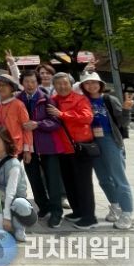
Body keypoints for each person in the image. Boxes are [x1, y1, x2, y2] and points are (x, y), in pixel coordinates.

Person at [80, 72, 134, 229]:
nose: (91, 86)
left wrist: (126, 109)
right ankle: (115, 206)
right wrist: (85, 69)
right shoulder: (83, 100)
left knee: (118, 178)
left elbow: (123, 122)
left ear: (100, 84)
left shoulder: (109, 100)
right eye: (87, 83)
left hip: (110, 140)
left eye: (94, 82)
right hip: (93, 142)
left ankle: (128, 213)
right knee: (103, 178)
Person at [16, 70, 67, 228]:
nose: (30, 85)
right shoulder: (17, 100)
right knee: (34, 179)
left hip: (47, 147)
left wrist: (38, 124)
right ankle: (43, 207)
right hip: (27, 147)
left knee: (52, 181)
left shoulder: (46, 99)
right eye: (26, 81)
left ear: (37, 83)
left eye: (33, 81)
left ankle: (56, 212)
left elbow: (56, 122)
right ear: (22, 83)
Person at [49, 72, 97, 229]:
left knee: (84, 184)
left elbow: (87, 117)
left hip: (80, 147)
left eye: (65, 83)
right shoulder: (53, 100)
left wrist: (63, 114)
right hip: (63, 149)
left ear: (71, 84)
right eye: (58, 84)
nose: (62, 86)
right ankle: (77, 211)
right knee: (69, 182)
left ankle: (89, 217)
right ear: (54, 86)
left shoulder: (80, 99)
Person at [0, 126, 37, 242]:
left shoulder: (14, 164)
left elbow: (11, 193)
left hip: (14, 200)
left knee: (20, 204)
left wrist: (7, 218)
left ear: (6, 142)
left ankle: (19, 227)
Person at [0, 74, 33, 161]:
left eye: (5, 85)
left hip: (16, 147)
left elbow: (27, 128)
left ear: (11, 88)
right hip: (1, 147)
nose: (1, 87)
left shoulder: (19, 104)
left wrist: (27, 151)